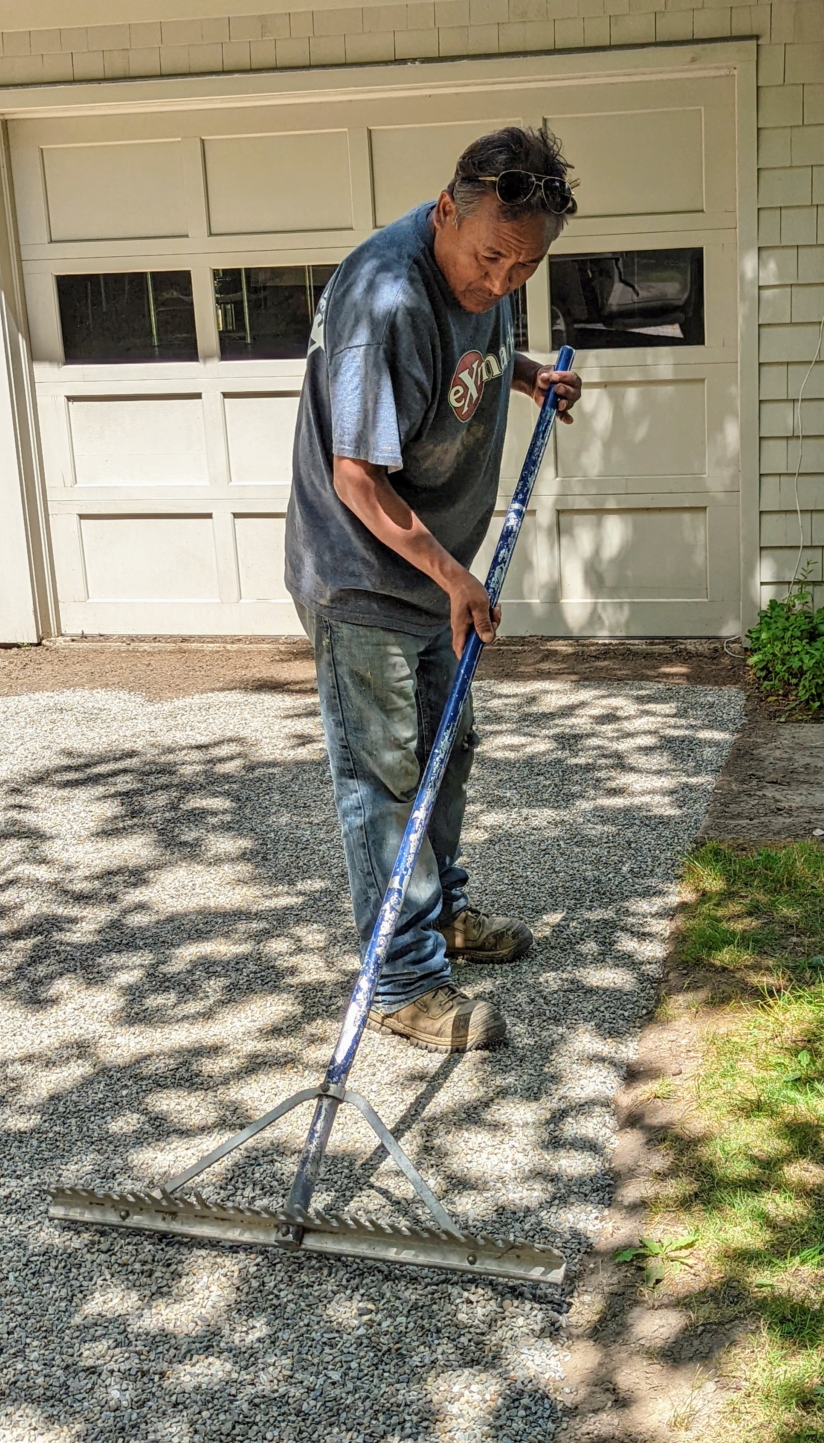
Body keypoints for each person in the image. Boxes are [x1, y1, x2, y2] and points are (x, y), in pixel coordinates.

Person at [285, 126, 583, 1055]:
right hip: (367, 574)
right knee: (387, 778)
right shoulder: (385, 298)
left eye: (523, 268)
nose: (500, 282)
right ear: (445, 208)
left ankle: (442, 914)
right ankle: (403, 982)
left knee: (448, 751)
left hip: (430, 573)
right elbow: (357, 481)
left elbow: (466, 359)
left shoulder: (486, 270)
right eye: (491, 257)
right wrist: (456, 578)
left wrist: (527, 375)